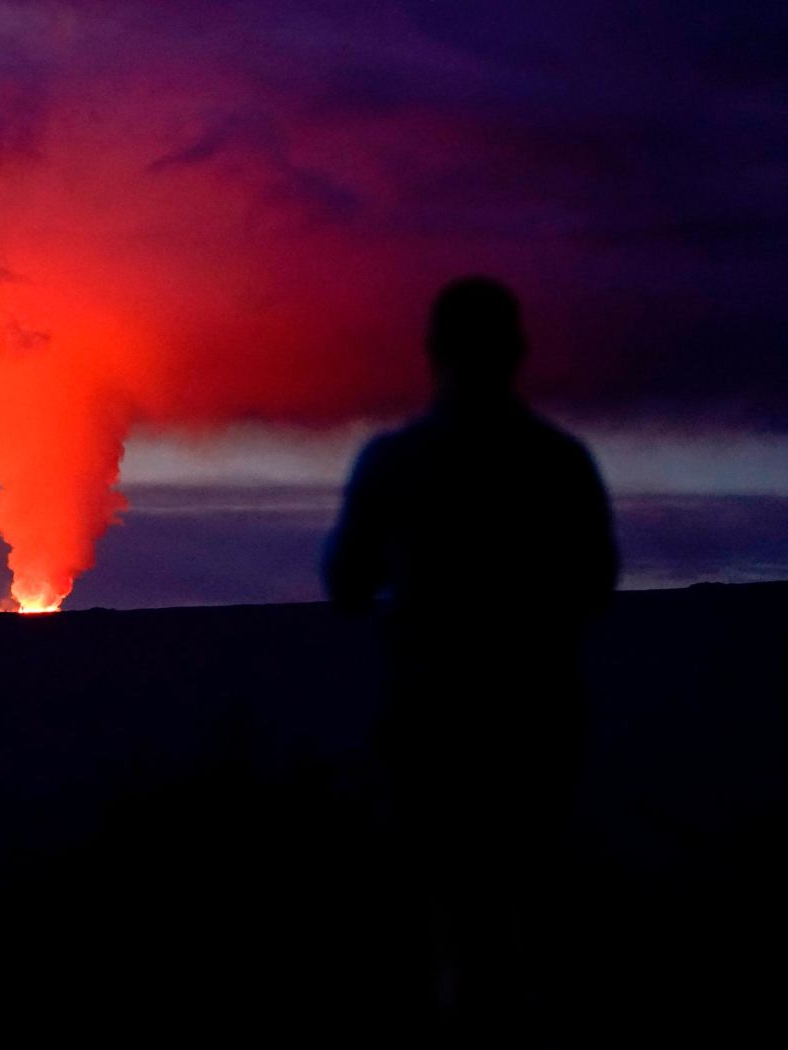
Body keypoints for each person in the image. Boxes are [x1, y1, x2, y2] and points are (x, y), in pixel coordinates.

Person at [323, 275, 618, 1040]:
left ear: (432, 354)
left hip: (433, 724)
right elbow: (598, 581)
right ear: (516, 352)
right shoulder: (561, 462)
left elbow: (347, 584)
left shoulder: (394, 462)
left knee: (448, 917)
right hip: (537, 721)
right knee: (537, 907)